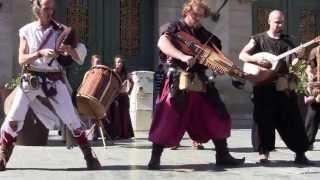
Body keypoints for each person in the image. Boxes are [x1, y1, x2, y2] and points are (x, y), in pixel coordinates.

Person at [0, 0, 101, 171]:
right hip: (31, 79)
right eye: (46, 8)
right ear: (37, 9)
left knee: (72, 119)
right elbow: (21, 59)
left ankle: (89, 157)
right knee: (14, 117)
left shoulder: (62, 30)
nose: (50, 12)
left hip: (54, 79)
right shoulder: (27, 30)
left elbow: (78, 56)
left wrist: (69, 51)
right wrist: (39, 53)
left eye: (52, 9)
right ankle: (3, 156)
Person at [148, 0, 245, 170]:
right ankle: (155, 158)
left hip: (200, 82)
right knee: (168, 118)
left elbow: (215, 60)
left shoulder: (206, 36)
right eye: (195, 14)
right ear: (186, 12)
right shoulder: (174, 27)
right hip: (178, 79)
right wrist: (182, 56)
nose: (198, 18)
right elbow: (162, 43)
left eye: (201, 16)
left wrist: (220, 69)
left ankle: (222, 155)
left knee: (217, 114)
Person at [239, 10, 311, 164]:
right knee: (263, 120)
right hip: (263, 86)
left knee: (292, 121)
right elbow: (242, 55)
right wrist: (257, 61)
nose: (280, 25)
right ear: (269, 21)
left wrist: (299, 57)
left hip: (283, 87)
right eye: (277, 22)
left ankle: (300, 153)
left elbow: (294, 65)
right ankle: (263, 154)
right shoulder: (258, 39)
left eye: (282, 22)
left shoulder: (289, 41)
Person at [103, 55, 134, 140]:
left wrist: (129, 92)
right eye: (118, 62)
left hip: (123, 96)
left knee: (124, 115)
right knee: (114, 115)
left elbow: (132, 83)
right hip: (114, 97)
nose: (119, 64)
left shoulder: (126, 73)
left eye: (121, 62)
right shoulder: (112, 73)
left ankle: (124, 134)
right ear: (115, 63)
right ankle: (114, 134)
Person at [304, 45, 320, 150]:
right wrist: (309, 75)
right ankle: (307, 143)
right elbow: (310, 67)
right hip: (318, 87)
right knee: (313, 115)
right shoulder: (316, 50)